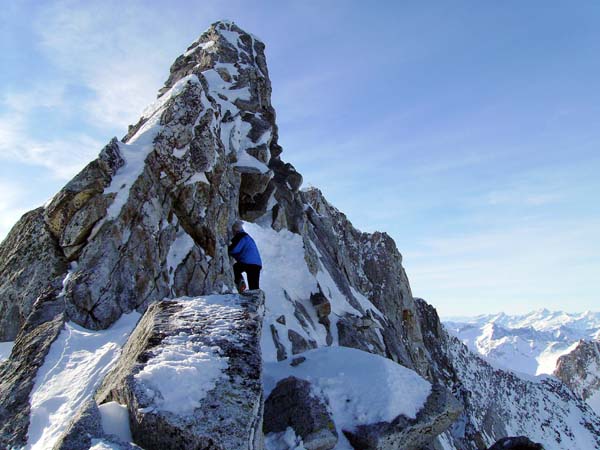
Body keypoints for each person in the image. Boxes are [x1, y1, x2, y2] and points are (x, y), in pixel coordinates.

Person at [228, 220, 262, 292]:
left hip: (247, 263)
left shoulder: (240, 236)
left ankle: (241, 282)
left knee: (236, 268)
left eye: (233, 230)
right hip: (257, 264)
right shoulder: (247, 237)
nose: (232, 232)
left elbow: (235, 249)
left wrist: (228, 249)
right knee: (254, 286)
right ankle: (256, 300)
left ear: (235, 230)